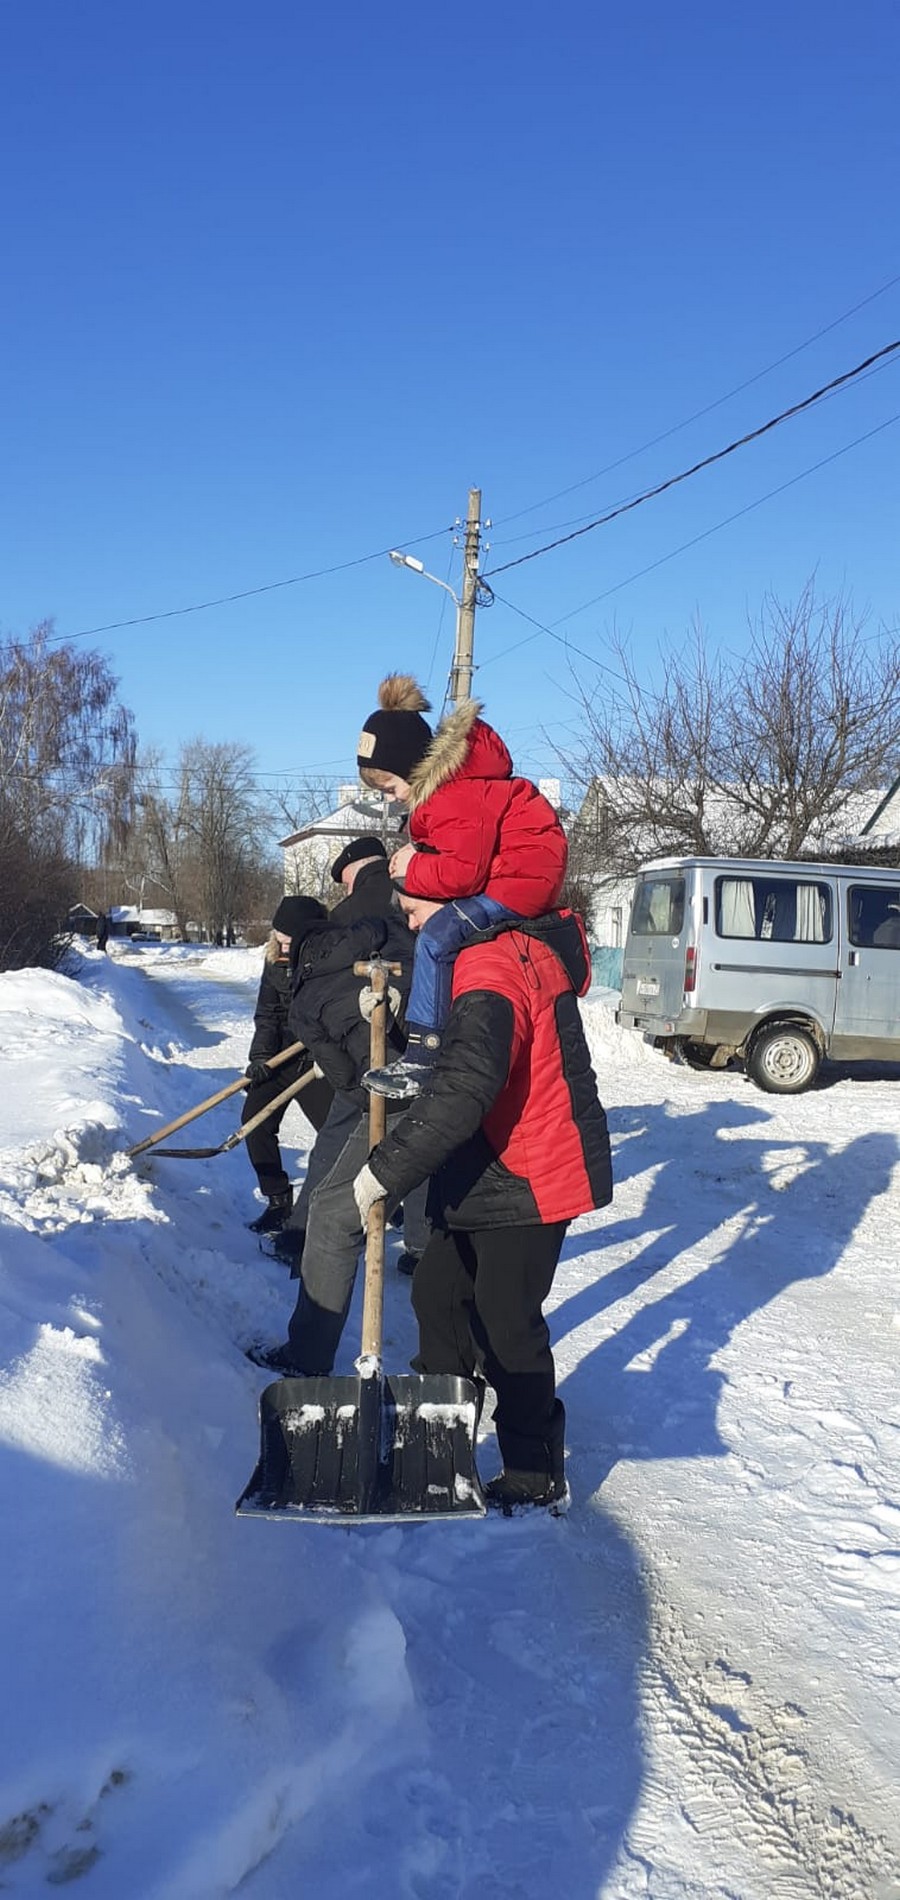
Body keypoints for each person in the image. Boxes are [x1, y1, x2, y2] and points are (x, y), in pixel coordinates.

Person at [351, 893, 613, 1512]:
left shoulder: (493, 965)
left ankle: (532, 1470)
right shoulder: (467, 957)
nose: (407, 921)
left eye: (412, 905)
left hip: (531, 1169)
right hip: (484, 1162)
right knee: (438, 1296)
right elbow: (443, 1058)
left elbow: (468, 1084)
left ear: (452, 898)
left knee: (505, 1323)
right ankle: (441, 1442)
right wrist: (392, 1024)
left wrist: (387, 1170)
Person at [355, 673, 568, 1097]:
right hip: (516, 875)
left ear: (412, 768)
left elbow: (462, 873)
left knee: (436, 937)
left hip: (519, 882)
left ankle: (424, 1054)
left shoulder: (453, 795)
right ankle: (432, 1041)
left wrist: (412, 868)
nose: (392, 797)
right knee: (443, 933)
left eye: (391, 786)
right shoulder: (454, 789)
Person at [242, 895, 334, 1234]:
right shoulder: (275, 959)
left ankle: (378, 1197)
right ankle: (278, 1200)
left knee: (339, 1133)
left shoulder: (329, 961)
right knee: (254, 1121)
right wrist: (260, 1058)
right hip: (282, 1057)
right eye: (277, 937)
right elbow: (268, 1014)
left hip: (318, 1062)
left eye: (288, 940)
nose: (282, 945)